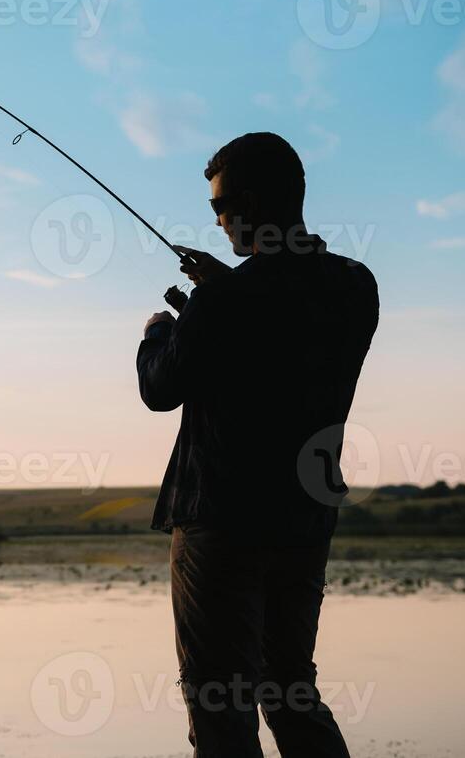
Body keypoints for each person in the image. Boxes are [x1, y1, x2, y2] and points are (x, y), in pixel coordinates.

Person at [136, 132, 378, 757]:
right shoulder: (355, 285)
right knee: (291, 689)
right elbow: (289, 318)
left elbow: (161, 388)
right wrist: (227, 291)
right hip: (305, 516)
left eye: (220, 206)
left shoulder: (225, 300)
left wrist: (161, 331)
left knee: (219, 704)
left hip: (219, 518)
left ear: (251, 201)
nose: (215, 220)